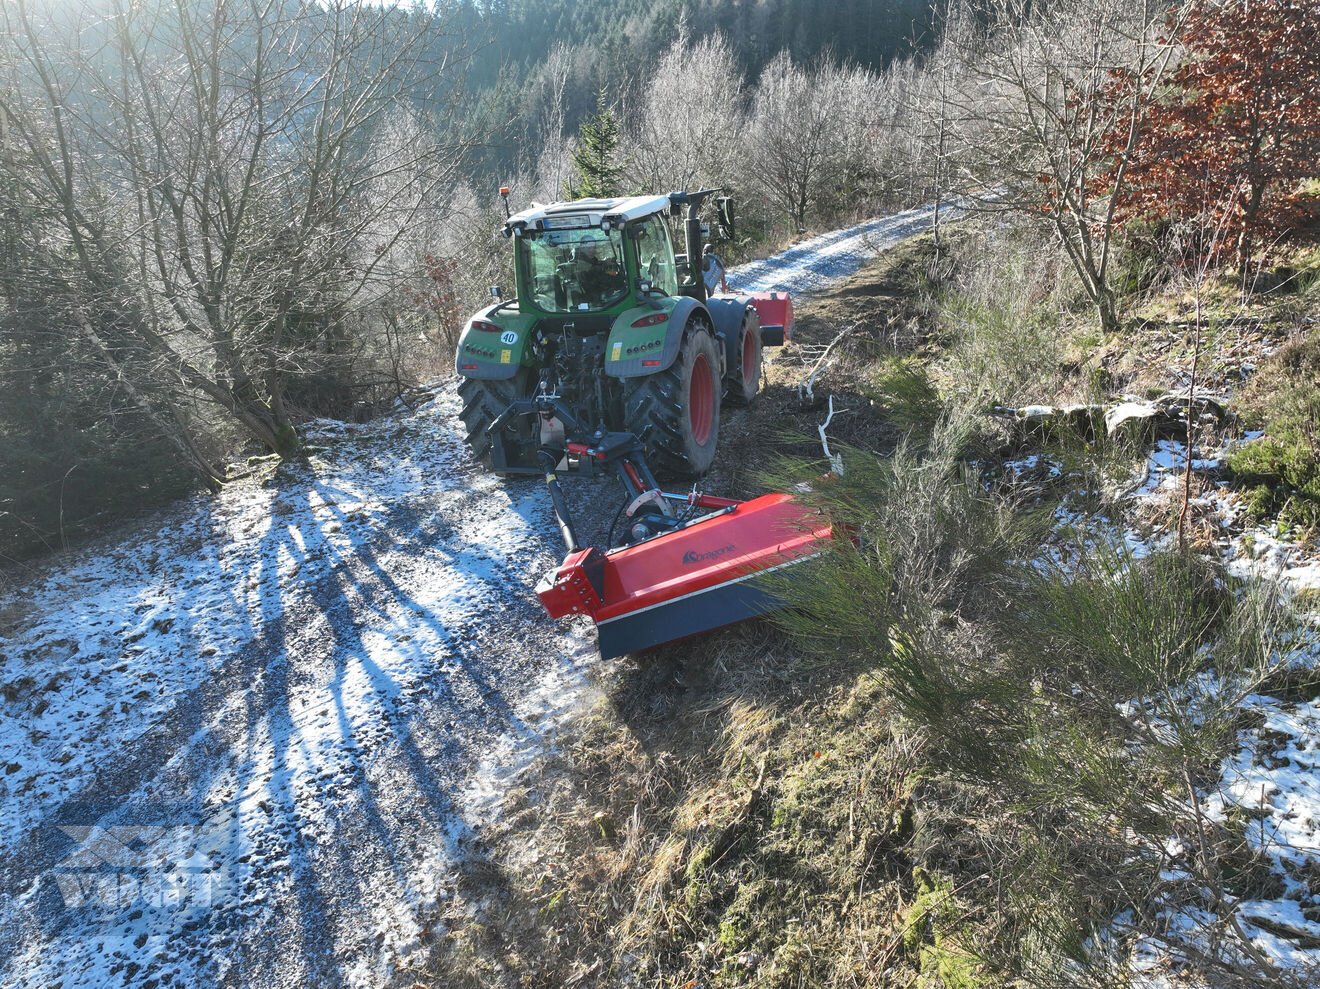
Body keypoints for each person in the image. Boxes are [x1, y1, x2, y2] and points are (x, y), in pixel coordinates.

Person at [572, 235, 624, 303]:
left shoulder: (589, 259)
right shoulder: (579, 261)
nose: (592, 250)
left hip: (596, 289)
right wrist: (605, 265)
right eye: (589, 248)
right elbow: (592, 270)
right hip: (592, 295)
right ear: (582, 248)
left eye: (593, 248)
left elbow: (595, 265)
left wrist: (605, 262)